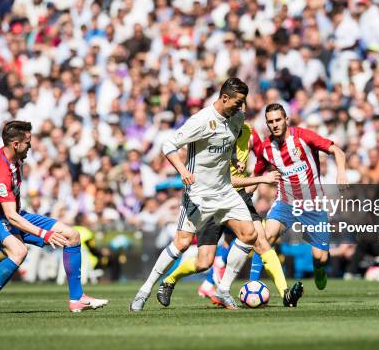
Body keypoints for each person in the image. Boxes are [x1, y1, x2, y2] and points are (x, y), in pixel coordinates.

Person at [130, 78, 258, 310]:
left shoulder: (237, 118)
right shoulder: (201, 121)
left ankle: (223, 289)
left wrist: (232, 161)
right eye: (238, 102)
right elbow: (168, 145)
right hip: (199, 194)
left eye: (244, 103)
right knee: (181, 243)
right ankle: (145, 290)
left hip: (224, 191)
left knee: (249, 234)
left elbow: (225, 145)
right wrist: (183, 171)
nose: (241, 107)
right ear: (225, 98)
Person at [0, 121, 108, 315]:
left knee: (72, 235)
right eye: (27, 142)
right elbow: (10, 216)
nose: (30, 146)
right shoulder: (0, 170)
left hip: (13, 215)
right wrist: (44, 234)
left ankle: (77, 299)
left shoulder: (15, 157)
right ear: (15, 144)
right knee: (19, 252)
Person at [157, 120, 304, 308]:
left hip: (239, 196)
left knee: (261, 241)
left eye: (242, 106)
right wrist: (258, 179)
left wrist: (254, 181)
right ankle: (170, 280)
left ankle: (286, 293)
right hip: (212, 197)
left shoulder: (249, 131)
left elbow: (262, 157)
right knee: (204, 262)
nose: (238, 111)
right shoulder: (213, 133)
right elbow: (222, 179)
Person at [251, 103, 348, 290]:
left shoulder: (304, 137)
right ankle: (253, 284)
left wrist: (341, 172)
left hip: (313, 203)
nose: (275, 124)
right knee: (265, 237)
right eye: (270, 122)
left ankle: (319, 268)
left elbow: (337, 150)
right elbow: (256, 176)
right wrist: (245, 194)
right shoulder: (265, 148)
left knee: (321, 257)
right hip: (285, 201)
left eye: (278, 120)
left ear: (286, 120)